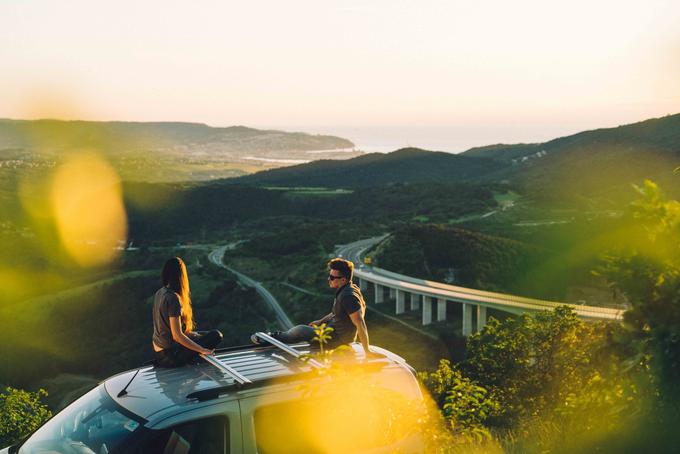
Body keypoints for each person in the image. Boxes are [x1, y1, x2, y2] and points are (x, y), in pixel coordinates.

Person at [252, 258, 377, 357]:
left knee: (300, 330)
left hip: (336, 340)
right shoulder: (350, 288)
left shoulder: (348, 296)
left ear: (343, 279)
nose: (329, 279)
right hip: (332, 331)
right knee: (303, 330)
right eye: (329, 276)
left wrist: (367, 351)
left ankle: (271, 339)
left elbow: (360, 324)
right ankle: (279, 337)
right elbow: (337, 313)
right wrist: (320, 321)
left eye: (333, 278)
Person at [152, 257, 223, 367]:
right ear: (181, 276)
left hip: (159, 352)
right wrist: (202, 350)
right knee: (216, 335)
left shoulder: (160, 292)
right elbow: (177, 336)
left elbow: (169, 330)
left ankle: (193, 354)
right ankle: (196, 357)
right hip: (170, 356)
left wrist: (191, 335)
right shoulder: (173, 298)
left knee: (202, 335)